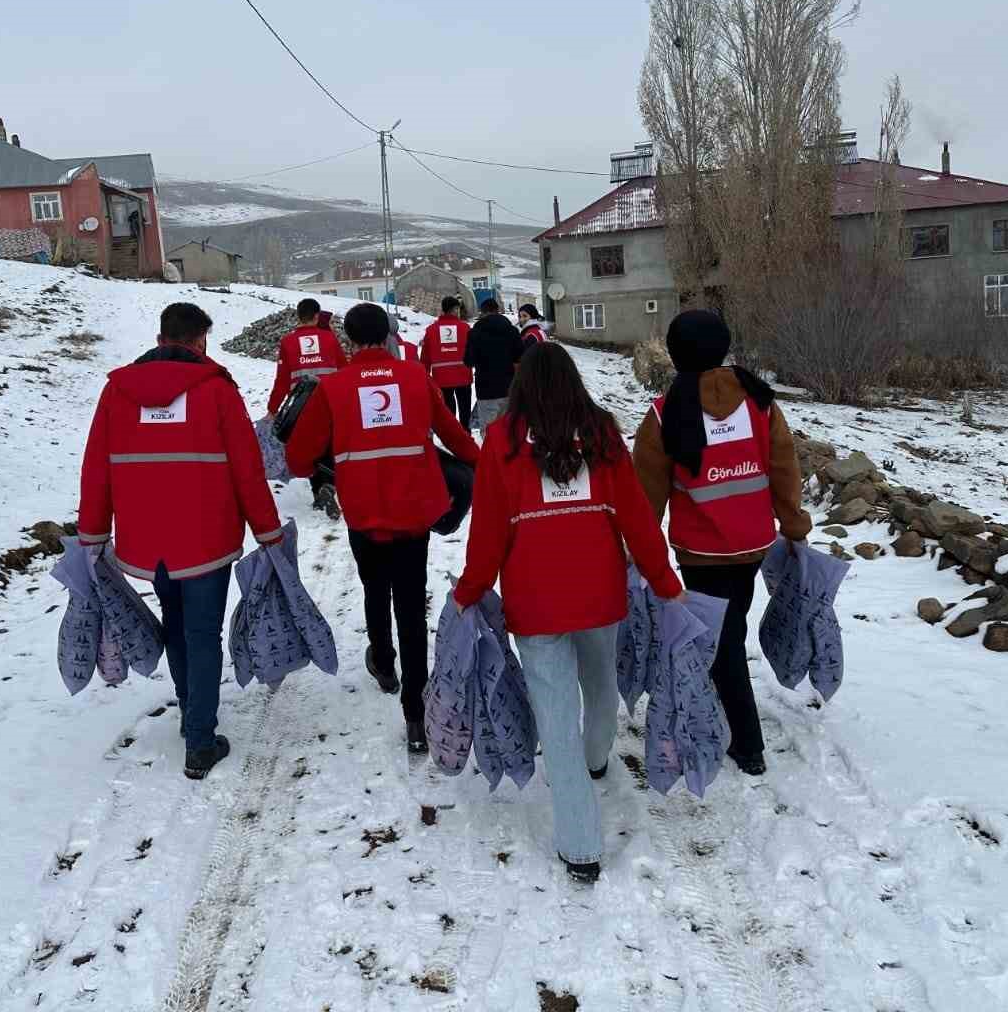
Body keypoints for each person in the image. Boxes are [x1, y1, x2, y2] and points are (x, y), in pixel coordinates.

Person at [453, 342, 682, 883]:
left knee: (554, 716)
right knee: (601, 680)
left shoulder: (502, 442)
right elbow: (636, 519)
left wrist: (470, 591)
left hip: (536, 603)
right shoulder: (602, 433)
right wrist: (665, 582)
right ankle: (597, 756)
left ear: (520, 385)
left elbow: (487, 535)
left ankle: (580, 844)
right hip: (600, 593)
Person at [79, 302, 284, 781]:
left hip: (147, 538)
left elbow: (96, 466)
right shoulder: (216, 389)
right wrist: (268, 531)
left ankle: (193, 711)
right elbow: (248, 470)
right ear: (200, 340)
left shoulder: (117, 391)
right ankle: (200, 739)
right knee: (202, 632)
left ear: (160, 337)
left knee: (176, 625)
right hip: (207, 536)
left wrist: (92, 532)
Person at [285, 302, 480, 753]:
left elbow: (297, 460)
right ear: (389, 335)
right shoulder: (415, 378)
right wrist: (490, 470)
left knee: (374, 588)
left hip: (365, 514)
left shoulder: (333, 389)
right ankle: (416, 715)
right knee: (412, 608)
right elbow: (455, 437)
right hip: (413, 513)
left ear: (349, 339)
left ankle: (383, 663)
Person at [631, 310, 811, 776]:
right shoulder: (761, 403)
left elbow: (644, 493)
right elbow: (785, 469)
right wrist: (793, 525)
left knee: (723, 640)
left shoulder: (663, 413)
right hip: (752, 546)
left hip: (700, 553)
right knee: (728, 631)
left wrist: (636, 551)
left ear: (674, 354)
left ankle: (747, 744)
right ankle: (728, 714)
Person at [268, 298, 347, 517]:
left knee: (311, 449)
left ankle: (318, 490)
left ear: (298, 316)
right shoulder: (329, 339)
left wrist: (273, 408)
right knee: (330, 445)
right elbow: (343, 370)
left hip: (301, 408)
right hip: (329, 403)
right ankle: (329, 484)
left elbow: (282, 380)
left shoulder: (288, 342)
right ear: (316, 316)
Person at [463, 297, 521, 430]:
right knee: (509, 430)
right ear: (498, 310)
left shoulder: (475, 333)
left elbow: (468, 361)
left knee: (489, 432)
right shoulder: (512, 331)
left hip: (486, 390)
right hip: (509, 389)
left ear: (482, 313)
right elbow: (520, 360)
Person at [419, 296, 474, 428]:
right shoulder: (465, 328)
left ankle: (453, 437)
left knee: (449, 412)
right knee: (465, 410)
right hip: (463, 376)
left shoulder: (431, 330)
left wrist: (424, 375)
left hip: (441, 378)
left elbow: (425, 356)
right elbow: (472, 351)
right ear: (455, 310)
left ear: (443, 310)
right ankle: (466, 435)